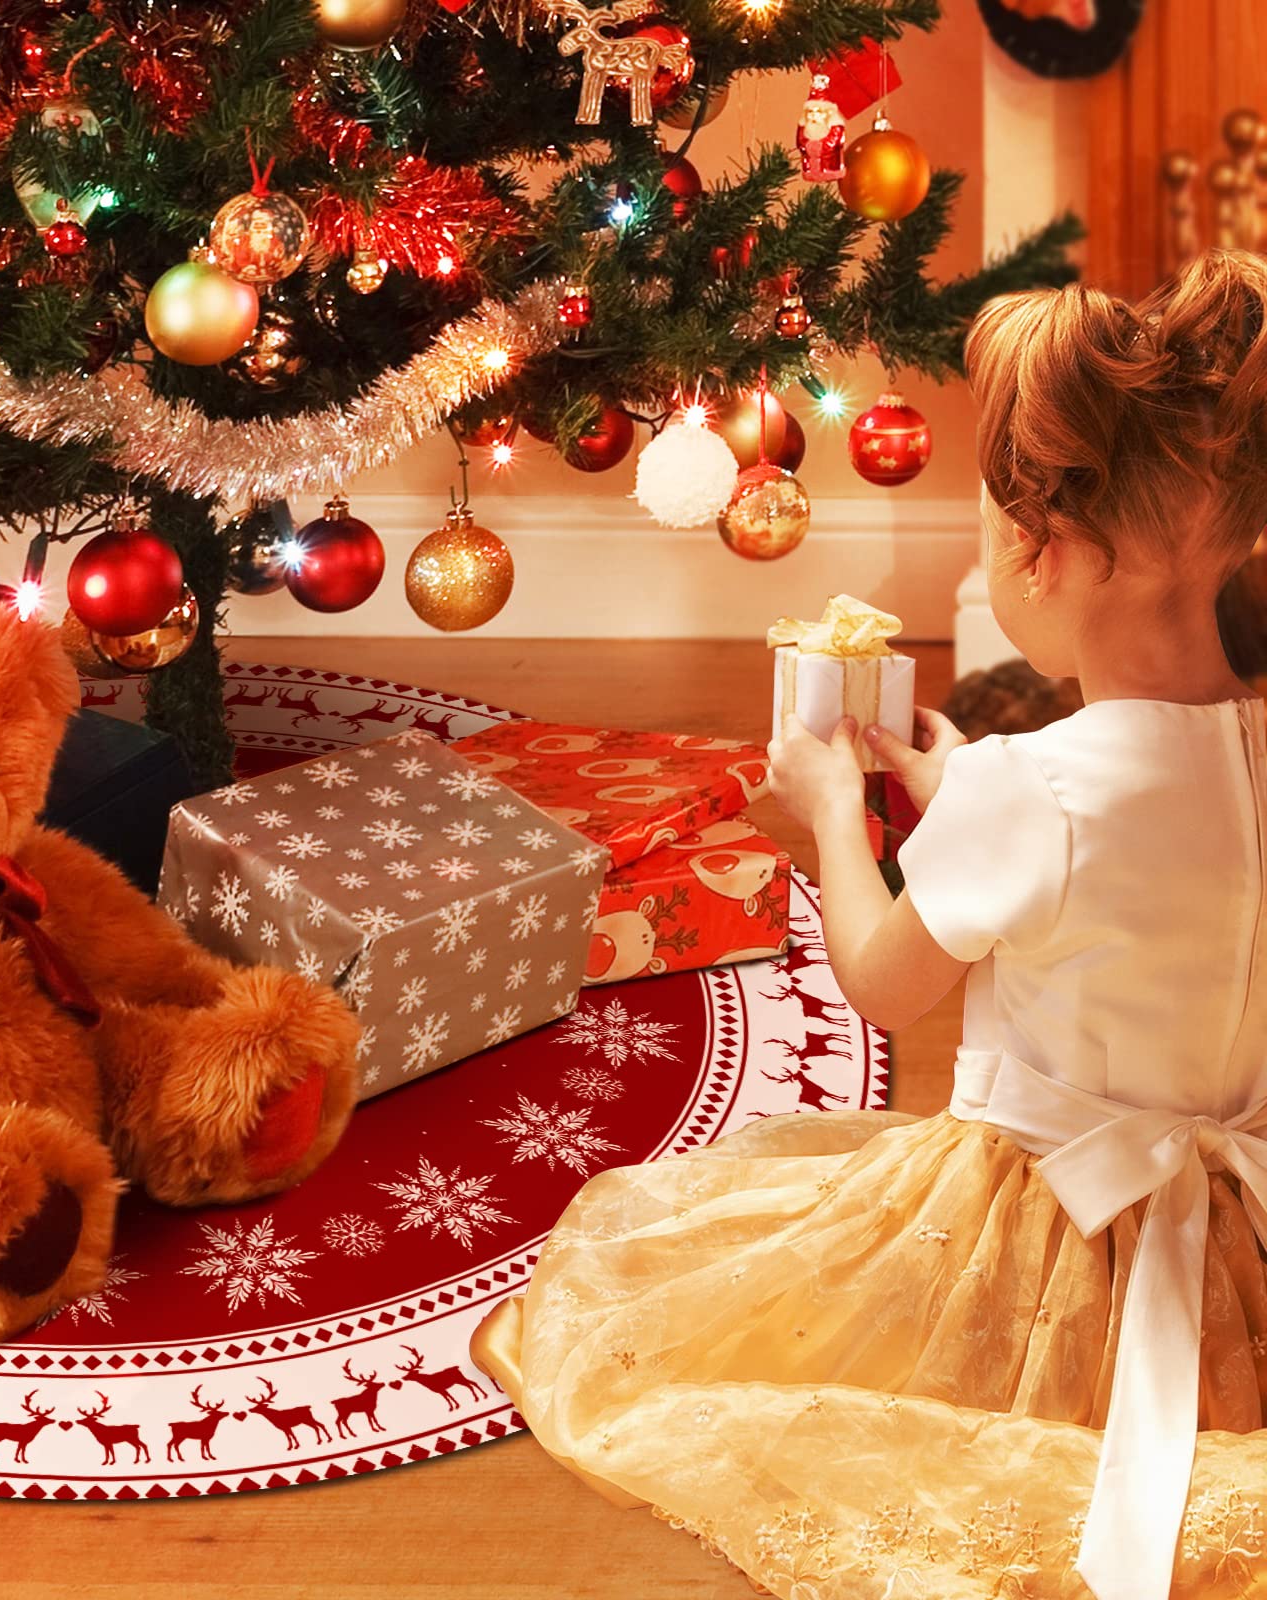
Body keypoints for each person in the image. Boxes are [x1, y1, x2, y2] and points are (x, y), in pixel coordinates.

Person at [471, 248, 1267, 1600]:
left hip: (1056, 1228)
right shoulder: (1241, 747)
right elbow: (1135, 875)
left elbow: (886, 987)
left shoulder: (1037, 791)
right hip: (1232, 1215)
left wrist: (838, 811)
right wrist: (952, 787)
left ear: (1043, 551)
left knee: (719, 1338)